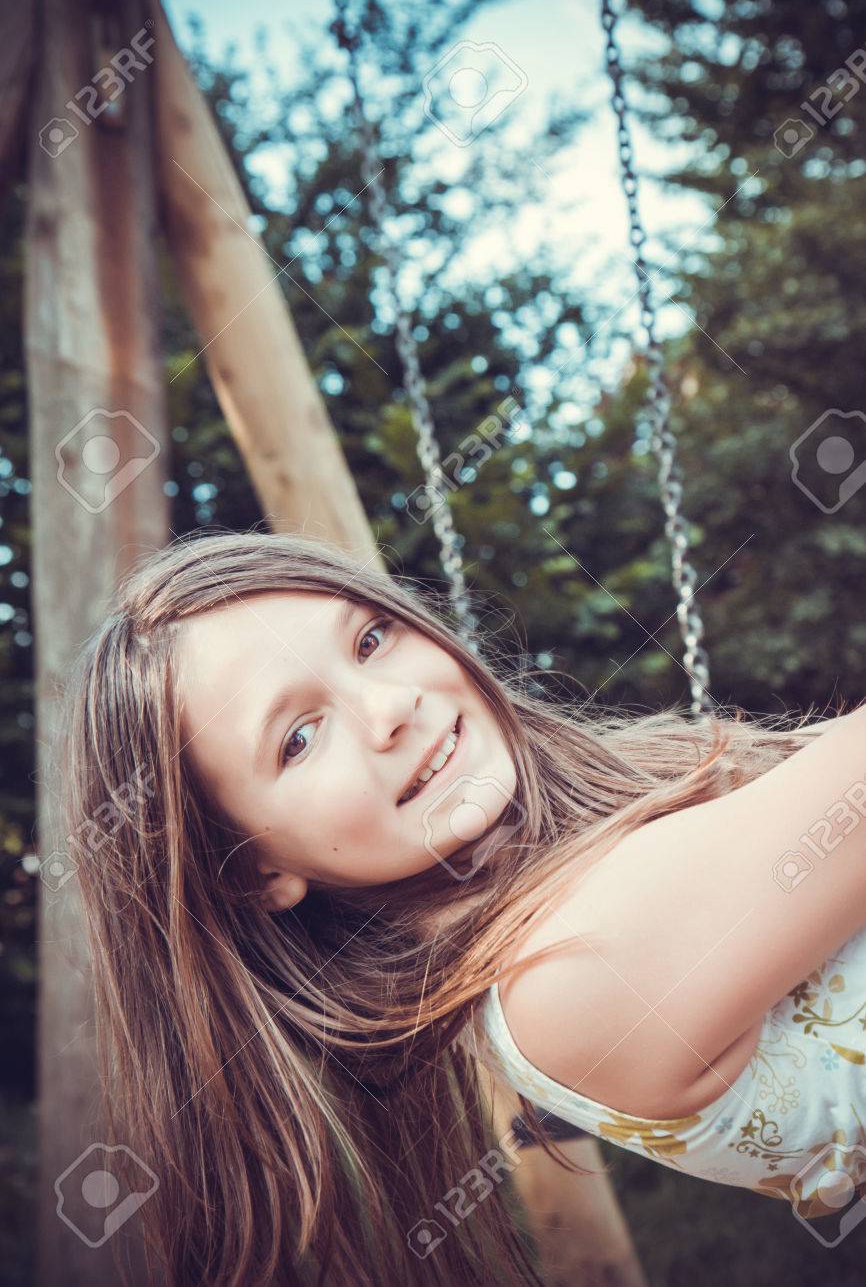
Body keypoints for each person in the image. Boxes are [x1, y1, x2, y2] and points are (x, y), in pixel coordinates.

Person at [59, 528, 864, 1286]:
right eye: (299, 737)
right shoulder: (569, 974)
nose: (389, 707)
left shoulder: (597, 854)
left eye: (370, 640)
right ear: (253, 875)